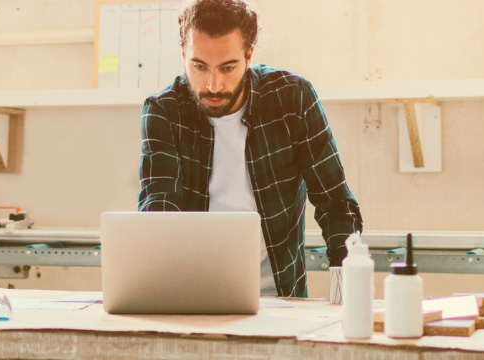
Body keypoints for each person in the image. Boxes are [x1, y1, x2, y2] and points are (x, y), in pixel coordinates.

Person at [137, 0, 363, 298]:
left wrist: (346, 292)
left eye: (228, 67)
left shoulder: (292, 97)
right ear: (183, 54)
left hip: (280, 298)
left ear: (249, 55)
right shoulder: (164, 110)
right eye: (199, 66)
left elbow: (335, 202)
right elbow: (160, 204)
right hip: (191, 298)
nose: (213, 85)